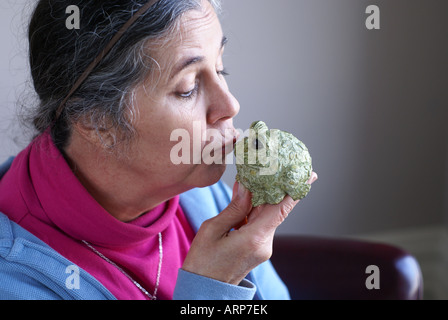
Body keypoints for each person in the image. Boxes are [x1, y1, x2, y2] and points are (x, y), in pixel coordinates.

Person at [0, 0, 317, 300]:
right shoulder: (13, 281)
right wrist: (213, 287)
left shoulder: (203, 197)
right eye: (187, 88)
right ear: (96, 122)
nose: (231, 105)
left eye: (220, 70)